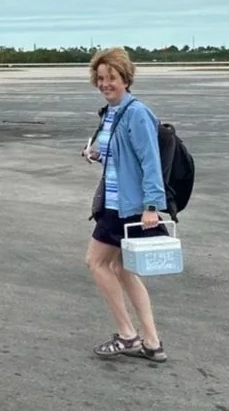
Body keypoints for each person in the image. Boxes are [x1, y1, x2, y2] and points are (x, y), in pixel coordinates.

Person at [80, 46, 169, 362]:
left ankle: (128, 335)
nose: (105, 84)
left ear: (125, 78)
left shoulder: (136, 112)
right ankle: (152, 342)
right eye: (100, 78)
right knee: (121, 267)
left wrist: (152, 205)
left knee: (96, 262)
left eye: (111, 77)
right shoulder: (111, 112)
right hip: (115, 202)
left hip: (126, 206)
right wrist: (97, 154)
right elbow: (122, 155)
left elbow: (150, 160)